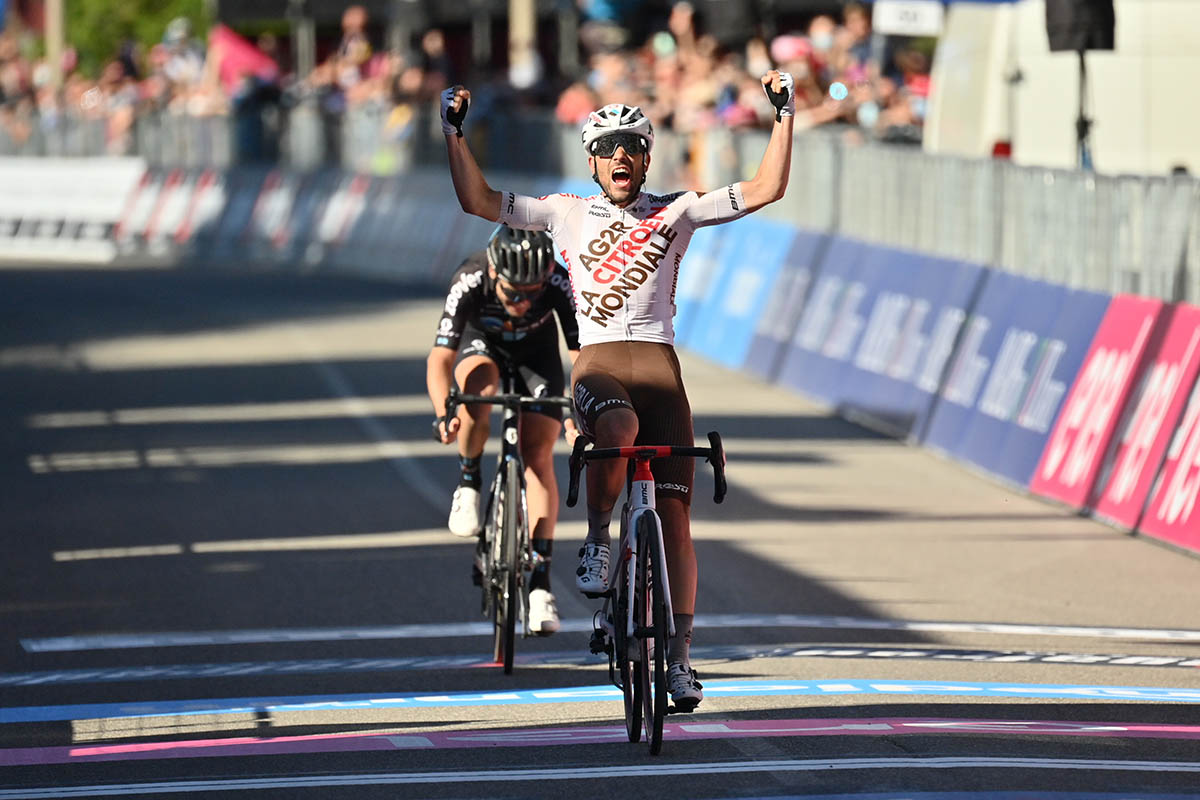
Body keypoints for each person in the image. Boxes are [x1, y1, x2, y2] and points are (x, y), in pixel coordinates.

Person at [439, 69, 794, 708]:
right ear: (593, 162)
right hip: (599, 364)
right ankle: (599, 538)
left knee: (679, 521)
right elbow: (479, 201)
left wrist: (784, 115)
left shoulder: (678, 209)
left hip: (661, 369)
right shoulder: (564, 213)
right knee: (618, 431)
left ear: (647, 156)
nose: (620, 155)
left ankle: (681, 660)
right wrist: (454, 132)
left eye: (632, 145)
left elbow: (767, 187)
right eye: (607, 148)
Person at [426, 225, 581, 635]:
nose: (523, 301)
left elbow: (581, 354)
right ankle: (469, 483)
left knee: (538, 453)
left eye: (533, 293)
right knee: (478, 390)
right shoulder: (470, 277)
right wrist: (445, 411)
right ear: (494, 273)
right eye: (514, 293)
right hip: (485, 346)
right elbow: (441, 358)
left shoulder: (559, 282)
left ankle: (541, 584)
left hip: (537, 353)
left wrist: (578, 410)